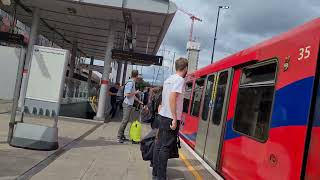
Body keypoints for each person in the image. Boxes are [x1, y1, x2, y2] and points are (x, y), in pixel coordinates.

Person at [152, 58, 188, 180]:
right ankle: (161, 177)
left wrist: (162, 108)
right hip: (170, 117)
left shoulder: (168, 79)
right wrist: (174, 117)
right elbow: (173, 97)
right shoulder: (180, 80)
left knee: (159, 144)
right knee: (165, 147)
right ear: (185, 68)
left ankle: (155, 172)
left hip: (163, 115)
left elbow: (164, 96)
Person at [117, 70, 144, 143]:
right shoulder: (130, 83)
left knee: (126, 121)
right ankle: (119, 137)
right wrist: (136, 92)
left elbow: (132, 95)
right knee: (125, 121)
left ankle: (122, 136)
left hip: (129, 104)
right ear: (137, 75)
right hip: (127, 104)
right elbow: (127, 94)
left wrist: (138, 101)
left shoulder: (132, 82)